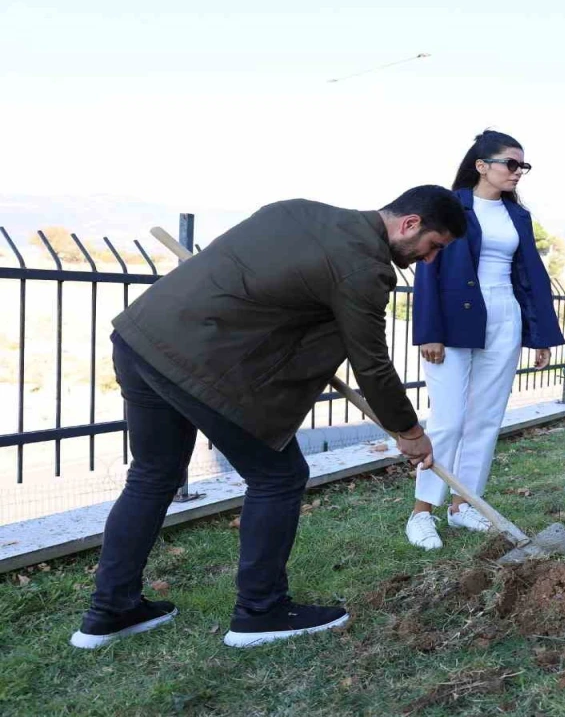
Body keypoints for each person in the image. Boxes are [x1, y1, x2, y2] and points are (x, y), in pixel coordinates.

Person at [71, 186, 467, 650]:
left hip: (143, 340)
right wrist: (410, 431)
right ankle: (260, 612)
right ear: (410, 224)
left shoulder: (297, 210)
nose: (430, 258)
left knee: (152, 475)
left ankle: (109, 613)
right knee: (279, 476)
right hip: (201, 362)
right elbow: (372, 364)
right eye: (434, 245)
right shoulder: (366, 267)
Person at [407, 131, 565, 550]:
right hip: (454, 321)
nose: (518, 172)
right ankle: (421, 512)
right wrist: (430, 331)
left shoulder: (518, 216)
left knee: (486, 419)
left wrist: (539, 336)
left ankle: (463, 505)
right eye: (511, 164)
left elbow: (530, 277)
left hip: (504, 317)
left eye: (522, 166)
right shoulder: (450, 205)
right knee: (449, 420)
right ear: (482, 165)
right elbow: (428, 267)